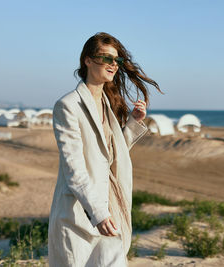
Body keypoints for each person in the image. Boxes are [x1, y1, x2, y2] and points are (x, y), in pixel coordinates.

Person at [48, 32, 161, 266]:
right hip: (79, 214)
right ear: (87, 60)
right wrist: (98, 213)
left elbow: (109, 155)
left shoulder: (108, 103)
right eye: (106, 58)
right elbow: (74, 168)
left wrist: (132, 122)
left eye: (117, 61)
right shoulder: (67, 106)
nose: (114, 65)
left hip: (110, 209)